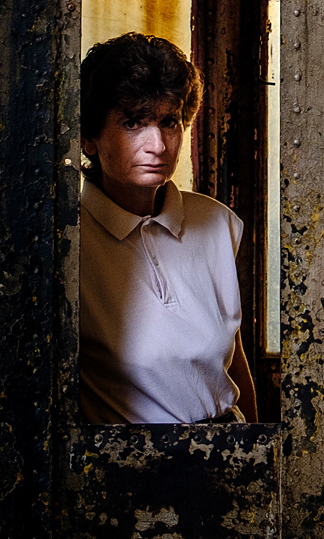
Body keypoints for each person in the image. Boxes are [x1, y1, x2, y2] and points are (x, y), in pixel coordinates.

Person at [79, 31, 257, 425]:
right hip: (130, 467)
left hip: (231, 453)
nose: (157, 144)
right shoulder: (68, 238)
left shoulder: (215, 222)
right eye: (132, 123)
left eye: (168, 122)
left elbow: (233, 362)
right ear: (89, 139)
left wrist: (265, 459)